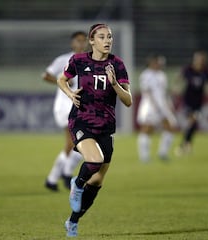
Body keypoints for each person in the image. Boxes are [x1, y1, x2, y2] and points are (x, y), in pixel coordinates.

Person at [57, 23, 132, 237]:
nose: (107, 40)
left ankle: (72, 221)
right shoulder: (79, 60)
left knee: (97, 180)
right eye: (102, 37)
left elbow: (128, 101)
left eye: (109, 37)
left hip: (105, 127)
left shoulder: (117, 64)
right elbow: (61, 79)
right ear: (92, 40)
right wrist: (70, 94)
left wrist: (115, 84)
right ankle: (77, 182)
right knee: (94, 161)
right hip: (81, 121)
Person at [42, 31, 87, 191]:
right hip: (64, 106)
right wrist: (62, 81)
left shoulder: (90, 60)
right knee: (72, 143)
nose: (81, 44)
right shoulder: (63, 60)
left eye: (84, 41)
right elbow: (45, 75)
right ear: (72, 43)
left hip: (80, 107)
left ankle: (56, 177)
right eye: (78, 41)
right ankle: (62, 176)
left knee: (81, 143)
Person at [175, 51, 208, 156]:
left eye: (201, 59)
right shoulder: (188, 69)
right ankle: (182, 146)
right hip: (188, 100)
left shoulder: (206, 71)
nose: (199, 61)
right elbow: (179, 78)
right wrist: (176, 87)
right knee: (193, 119)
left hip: (199, 101)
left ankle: (187, 144)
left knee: (193, 124)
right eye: (197, 59)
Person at [137, 55, 177, 162]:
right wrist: (154, 105)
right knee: (147, 129)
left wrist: (169, 105)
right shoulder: (146, 75)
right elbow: (147, 92)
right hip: (150, 106)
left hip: (162, 105)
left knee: (170, 127)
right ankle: (144, 157)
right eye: (157, 62)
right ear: (152, 63)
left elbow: (164, 92)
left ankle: (162, 153)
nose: (159, 64)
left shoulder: (162, 75)